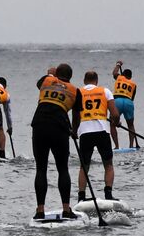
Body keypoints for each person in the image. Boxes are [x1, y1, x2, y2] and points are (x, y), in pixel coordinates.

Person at [31, 64, 80, 219]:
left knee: (41, 169)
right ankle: (66, 209)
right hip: (60, 128)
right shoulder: (75, 90)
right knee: (62, 169)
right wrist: (74, 131)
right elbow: (76, 116)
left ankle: (40, 211)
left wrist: (51, 75)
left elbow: (39, 83)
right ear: (70, 76)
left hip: (39, 125)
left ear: (56, 75)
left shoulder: (46, 81)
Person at [76, 70, 118, 202]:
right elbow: (115, 114)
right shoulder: (105, 91)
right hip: (102, 131)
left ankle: (81, 197)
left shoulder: (78, 92)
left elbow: (75, 114)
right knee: (108, 165)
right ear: (97, 80)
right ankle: (108, 194)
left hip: (84, 132)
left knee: (84, 166)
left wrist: (74, 130)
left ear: (84, 80)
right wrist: (116, 122)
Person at [111, 61, 137, 149]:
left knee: (112, 124)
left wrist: (118, 65)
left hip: (117, 101)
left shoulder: (119, 77)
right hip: (128, 102)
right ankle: (131, 146)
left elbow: (114, 73)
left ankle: (116, 146)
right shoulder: (133, 84)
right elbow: (132, 98)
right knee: (130, 125)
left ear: (123, 74)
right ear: (130, 77)